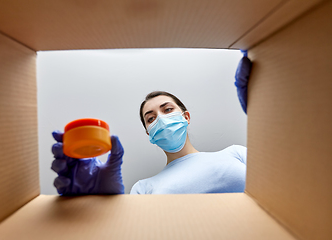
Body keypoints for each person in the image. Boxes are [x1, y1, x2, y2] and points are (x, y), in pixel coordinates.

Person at [51, 51, 252, 195]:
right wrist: (100, 208)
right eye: (151, 118)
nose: (161, 119)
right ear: (150, 133)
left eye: (167, 109)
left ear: (186, 117)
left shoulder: (235, 153)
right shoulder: (143, 188)